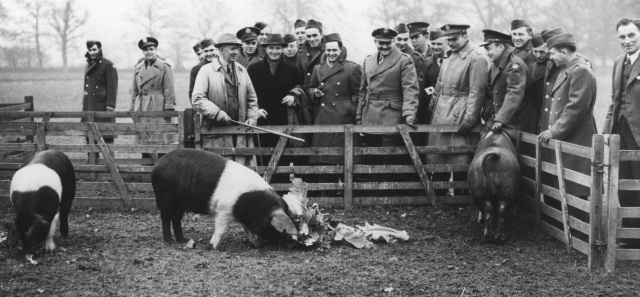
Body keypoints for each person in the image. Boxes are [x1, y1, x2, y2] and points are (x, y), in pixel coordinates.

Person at [427, 24, 489, 196]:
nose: (451, 43)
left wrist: (469, 119)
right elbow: (439, 85)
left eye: (454, 39)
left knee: (461, 156)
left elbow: (477, 91)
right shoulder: (448, 56)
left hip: (461, 111)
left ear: (465, 36)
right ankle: (440, 197)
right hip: (441, 112)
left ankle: (462, 198)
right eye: (448, 40)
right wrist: (431, 108)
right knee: (439, 155)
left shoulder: (476, 58)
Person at [538, 33, 597, 201]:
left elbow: (575, 108)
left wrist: (554, 131)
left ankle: (578, 228)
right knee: (563, 188)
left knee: (574, 192)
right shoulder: (568, 69)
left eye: (552, 53)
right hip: (567, 138)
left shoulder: (581, 71)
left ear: (563, 52)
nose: (550, 57)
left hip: (575, 139)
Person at [356, 28, 419, 181]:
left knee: (388, 155)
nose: (384, 47)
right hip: (370, 114)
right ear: (375, 42)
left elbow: (410, 89)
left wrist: (409, 112)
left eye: (388, 43)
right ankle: (375, 190)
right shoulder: (368, 60)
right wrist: (359, 114)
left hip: (392, 114)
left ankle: (388, 191)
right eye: (380, 43)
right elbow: (363, 91)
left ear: (393, 42)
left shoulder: (404, 60)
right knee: (372, 153)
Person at [191, 33, 259, 166]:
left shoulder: (242, 71)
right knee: (218, 173)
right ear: (221, 50)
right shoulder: (206, 71)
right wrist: (216, 113)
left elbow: (252, 99)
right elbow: (197, 99)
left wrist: (252, 117)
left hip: (240, 134)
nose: (236, 52)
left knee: (241, 173)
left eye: (237, 49)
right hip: (216, 134)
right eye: (232, 48)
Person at [308, 33, 363, 188]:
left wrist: (348, 108)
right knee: (323, 156)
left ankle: (346, 191)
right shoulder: (318, 68)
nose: (331, 53)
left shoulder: (352, 68)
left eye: (335, 50)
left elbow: (359, 93)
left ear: (341, 50)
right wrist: (314, 94)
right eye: (329, 50)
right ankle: (326, 190)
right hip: (323, 117)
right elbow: (310, 87)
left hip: (343, 118)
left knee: (343, 157)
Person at [248, 34, 311, 167]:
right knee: (262, 160)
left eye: (278, 48)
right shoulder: (253, 69)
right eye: (271, 48)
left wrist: (293, 97)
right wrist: (255, 110)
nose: (274, 51)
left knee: (283, 161)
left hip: (284, 120)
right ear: (266, 49)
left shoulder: (292, 70)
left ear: (282, 49)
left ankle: (281, 188)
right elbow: (247, 93)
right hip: (262, 121)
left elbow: (300, 87)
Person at [604, 17, 640, 229]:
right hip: (621, 133)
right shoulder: (618, 62)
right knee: (623, 185)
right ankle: (631, 235)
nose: (627, 40)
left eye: (631, 35)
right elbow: (614, 101)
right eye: (622, 37)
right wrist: (606, 133)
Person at [481, 29, 536, 134]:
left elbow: (514, 92)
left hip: (517, 124)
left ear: (501, 47)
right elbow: (489, 90)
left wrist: (500, 119)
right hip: (503, 123)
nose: (487, 53)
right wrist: (490, 114)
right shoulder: (496, 64)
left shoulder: (514, 66)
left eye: (489, 49)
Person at [130, 37, 176, 159]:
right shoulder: (138, 67)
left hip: (158, 105)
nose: (149, 52)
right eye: (146, 50)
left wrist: (169, 109)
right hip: (141, 106)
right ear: (143, 52)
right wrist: (132, 107)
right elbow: (134, 89)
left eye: (151, 49)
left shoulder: (164, 66)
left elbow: (169, 89)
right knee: (144, 137)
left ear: (156, 50)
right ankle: (145, 168)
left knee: (159, 137)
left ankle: (161, 167)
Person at [83, 40, 118, 159]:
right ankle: (93, 166)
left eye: (94, 49)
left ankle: (110, 165)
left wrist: (110, 106)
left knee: (106, 137)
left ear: (100, 49)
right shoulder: (88, 65)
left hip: (103, 107)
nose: (92, 52)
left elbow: (112, 87)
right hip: (90, 107)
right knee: (90, 136)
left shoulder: (107, 65)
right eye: (90, 50)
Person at [417, 29, 447, 125]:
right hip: (430, 106)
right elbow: (423, 87)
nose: (435, 47)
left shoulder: (451, 62)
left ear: (446, 43)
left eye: (439, 44)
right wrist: (431, 92)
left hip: (448, 107)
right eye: (433, 44)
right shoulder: (426, 63)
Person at [297, 19, 325, 89]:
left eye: (315, 35)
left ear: (322, 35)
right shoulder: (301, 55)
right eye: (308, 36)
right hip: (307, 96)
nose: (312, 39)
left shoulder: (329, 52)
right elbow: (299, 81)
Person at [529, 33, 548, 132]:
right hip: (535, 116)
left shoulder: (553, 66)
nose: (538, 55)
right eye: (535, 52)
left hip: (547, 116)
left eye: (542, 52)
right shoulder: (533, 66)